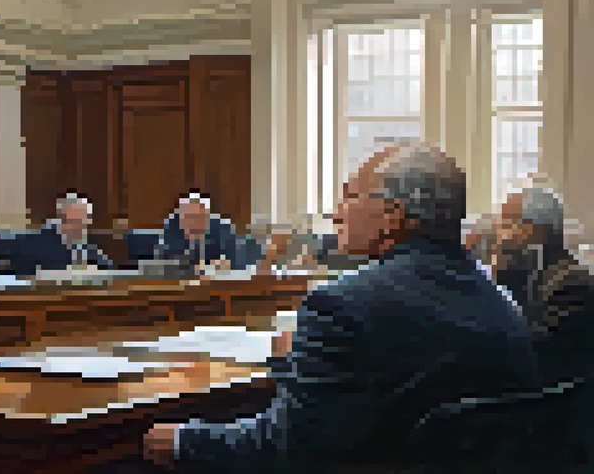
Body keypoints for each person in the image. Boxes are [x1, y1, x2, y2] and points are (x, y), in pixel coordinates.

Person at [143, 143, 539, 471]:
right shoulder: (503, 302)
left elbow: (289, 447)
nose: (336, 214)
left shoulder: (340, 307)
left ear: (392, 216)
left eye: (349, 196)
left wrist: (183, 440)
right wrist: (292, 364)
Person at [491, 183, 594, 385]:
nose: (500, 235)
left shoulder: (572, 283)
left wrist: (504, 282)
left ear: (534, 229)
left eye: (507, 223)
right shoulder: (531, 274)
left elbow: (530, 351)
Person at [25, 193, 115, 273]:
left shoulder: (91, 249)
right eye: (74, 222)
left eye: (83, 223)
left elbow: (111, 273)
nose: (79, 228)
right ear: (61, 221)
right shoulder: (41, 246)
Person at [156, 191, 249, 269]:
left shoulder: (222, 228)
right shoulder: (172, 227)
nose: (192, 222)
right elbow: (165, 258)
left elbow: (237, 258)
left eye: (198, 217)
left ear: (207, 217)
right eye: (188, 217)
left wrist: (224, 263)